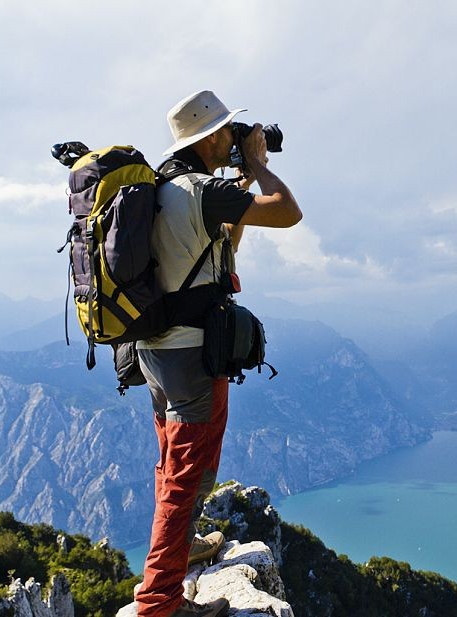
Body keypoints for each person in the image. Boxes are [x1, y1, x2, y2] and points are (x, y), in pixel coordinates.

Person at [135, 90, 302, 617]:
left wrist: (243, 182)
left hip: (152, 351)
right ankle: (160, 602)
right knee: (189, 472)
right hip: (190, 355)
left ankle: (177, 554)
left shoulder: (163, 187)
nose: (236, 137)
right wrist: (256, 165)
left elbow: (221, 247)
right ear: (210, 137)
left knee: (173, 464)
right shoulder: (202, 189)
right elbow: (290, 212)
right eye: (230, 131)